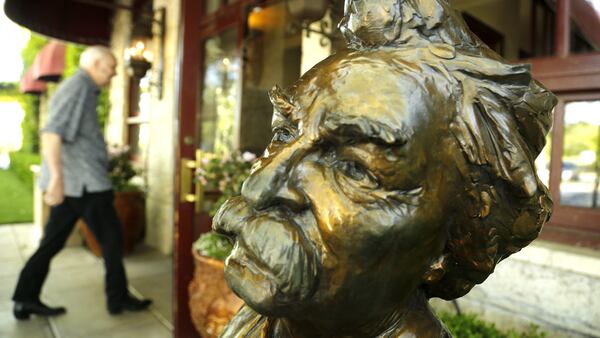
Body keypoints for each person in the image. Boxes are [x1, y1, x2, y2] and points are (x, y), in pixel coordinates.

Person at [212, 0, 556, 337]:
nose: (258, 186)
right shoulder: (260, 324)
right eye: (284, 132)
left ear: (452, 245)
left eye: (353, 169)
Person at [12, 46, 151, 320]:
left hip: (79, 184)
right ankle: (118, 299)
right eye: (110, 67)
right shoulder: (78, 87)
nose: (113, 73)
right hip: (84, 185)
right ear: (96, 63)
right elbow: (52, 134)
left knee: (53, 243)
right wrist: (57, 181)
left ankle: (25, 298)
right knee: (111, 240)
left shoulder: (83, 88)